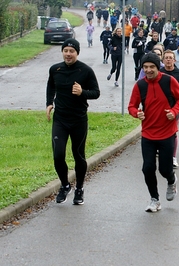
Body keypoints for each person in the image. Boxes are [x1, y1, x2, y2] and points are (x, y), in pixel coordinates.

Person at [128, 53, 179, 212]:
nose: (148, 70)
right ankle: (154, 199)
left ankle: (172, 180)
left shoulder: (169, 81)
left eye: (151, 67)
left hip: (167, 133)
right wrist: (136, 113)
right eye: (145, 67)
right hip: (148, 133)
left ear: (158, 67)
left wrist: (174, 112)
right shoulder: (140, 85)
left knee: (164, 169)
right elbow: (131, 106)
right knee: (147, 168)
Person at [46, 38, 100, 205]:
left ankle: (80, 188)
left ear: (77, 52)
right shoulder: (55, 69)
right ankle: (65, 185)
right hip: (60, 120)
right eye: (66, 51)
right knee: (58, 155)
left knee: (78, 155)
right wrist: (49, 103)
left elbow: (96, 92)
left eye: (72, 51)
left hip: (78, 120)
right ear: (62, 52)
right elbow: (50, 86)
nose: (68, 54)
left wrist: (82, 92)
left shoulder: (86, 71)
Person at [160, 50, 179, 168]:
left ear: (174, 60)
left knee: (172, 132)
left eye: (171, 58)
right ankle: (162, 154)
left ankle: (173, 157)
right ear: (163, 60)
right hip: (160, 107)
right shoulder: (159, 73)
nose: (168, 60)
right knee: (161, 131)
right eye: (166, 58)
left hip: (175, 107)